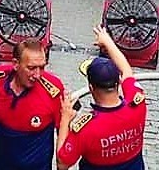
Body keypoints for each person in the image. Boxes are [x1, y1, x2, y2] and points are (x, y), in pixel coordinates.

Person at [56, 26, 147, 170]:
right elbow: (127, 70)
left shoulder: (85, 129)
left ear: (91, 88)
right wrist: (108, 41)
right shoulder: (138, 105)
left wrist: (65, 119)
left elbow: (62, 163)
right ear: (118, 83)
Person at [0, 38, 65, 170]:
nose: (37, 75)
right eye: (31, 68)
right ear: (16, 64)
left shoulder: (53, 91)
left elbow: (62, 131)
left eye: (42, 67)